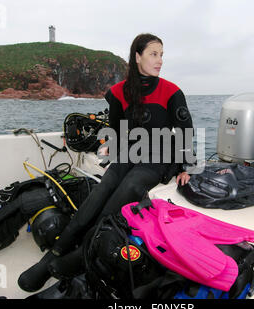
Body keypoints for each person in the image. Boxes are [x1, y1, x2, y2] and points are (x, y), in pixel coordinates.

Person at [18, 33, 195, 292]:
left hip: (157, 157)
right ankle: (53, 255)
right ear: (137, 56)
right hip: (130, 154)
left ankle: (80, 255)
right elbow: (115, 128)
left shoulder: (171, 91)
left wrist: (186, 167)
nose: (159, 61)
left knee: (126, 190)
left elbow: (185, 130)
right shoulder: (118, 92)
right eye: (153, 54)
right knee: (101, 190)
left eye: (161, 55)